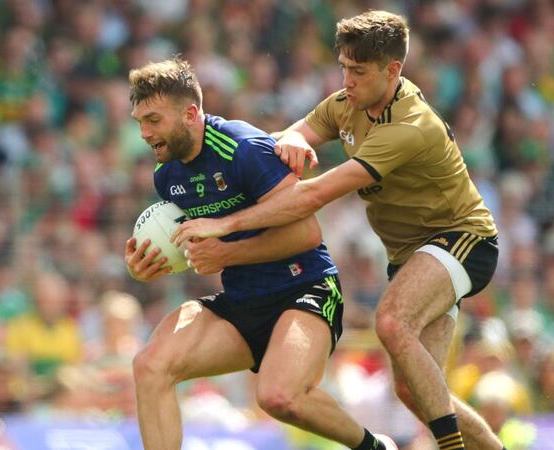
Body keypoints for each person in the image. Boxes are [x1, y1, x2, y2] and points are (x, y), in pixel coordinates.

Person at [172, 10, 505, 450]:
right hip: (412, 257)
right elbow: (287, 140)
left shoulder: (411, 126)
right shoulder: (347, 104)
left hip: (463, 239)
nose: (346, 81)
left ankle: (450, 447)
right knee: (415, 391)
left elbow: (313, 196)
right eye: (343, 67)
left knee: (390, 321)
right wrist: (291, 137)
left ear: (393, 70)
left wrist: (225, 224)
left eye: (358, 71)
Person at [124, 57, 396, 450]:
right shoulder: (166, 175)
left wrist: (226, 253)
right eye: (139, 122)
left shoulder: (244, 147)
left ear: (190, 113)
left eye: (153, 120)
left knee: (277, 397)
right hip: (243, 301)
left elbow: (306, 233)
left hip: (305, 287)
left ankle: (373, 447)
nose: (145, 133)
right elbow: (197, 248)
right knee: (149, 365)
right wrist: (150, 266)